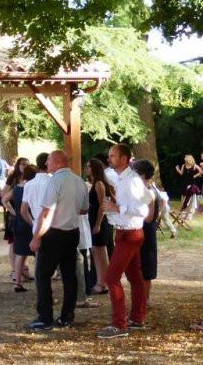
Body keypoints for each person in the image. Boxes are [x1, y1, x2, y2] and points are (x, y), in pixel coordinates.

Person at [26, 150, 88, 332]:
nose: (46, 164)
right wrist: (69, 208)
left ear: (58, 162)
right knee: (70, 275)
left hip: (54, 233)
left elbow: (46, 213)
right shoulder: (79, 181)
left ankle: (45, 317)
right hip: (72, 232)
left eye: (49, 161)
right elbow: (84, 210)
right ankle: (67, 316)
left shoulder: (54, 182)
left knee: (43, 275)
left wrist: (37, 237)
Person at [97, 144, 153, 339]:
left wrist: (116, 208)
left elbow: (143, 210)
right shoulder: (121, 177)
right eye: (109, 155)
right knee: (135, 278)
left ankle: (119, 325)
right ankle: (137, 318)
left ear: (124, 159)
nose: (109, 158)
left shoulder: (131, 181)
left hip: (130, 233)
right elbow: (147, 196)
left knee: (111, 278)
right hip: (124, 232)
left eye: (113, 156)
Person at [87, 157, 114, 294]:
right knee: (96, 253)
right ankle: (100, 281)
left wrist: (97, 224)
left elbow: (102, 206)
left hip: (100, 222)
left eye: (89, 167)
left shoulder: (99, 184)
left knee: (101, 254)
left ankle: (103, 283)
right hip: (93, 220)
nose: (87, 169)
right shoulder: (95, 183)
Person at [10, 163, 37, 292]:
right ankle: (40, 282)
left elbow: (4, 199)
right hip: (31, 221)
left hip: (19, 223)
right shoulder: (32, 187)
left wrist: (13, 211)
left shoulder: (17, 188)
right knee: (38, 253)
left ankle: (17, 282)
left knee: (20, 254)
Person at [2, 157, 29, 282]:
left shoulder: (30, 178)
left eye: (27, 164)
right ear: (18, 165)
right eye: (23, 164)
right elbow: (4, 195)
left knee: (25, 242)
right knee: (13, 242)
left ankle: (24, 269)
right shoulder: (13, 178)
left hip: (25, 213)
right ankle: (14, 270)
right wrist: (13, 210)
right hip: (14, 214)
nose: (25, 166)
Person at [136, 161, 159, 307]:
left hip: (146, 231)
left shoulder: (149, 191)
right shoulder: (150, 189)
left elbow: (149, 217)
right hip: (146, 230)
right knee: (143, 266)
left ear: (142, 175)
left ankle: (145, 299)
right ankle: (143, 299)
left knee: (146, 266)